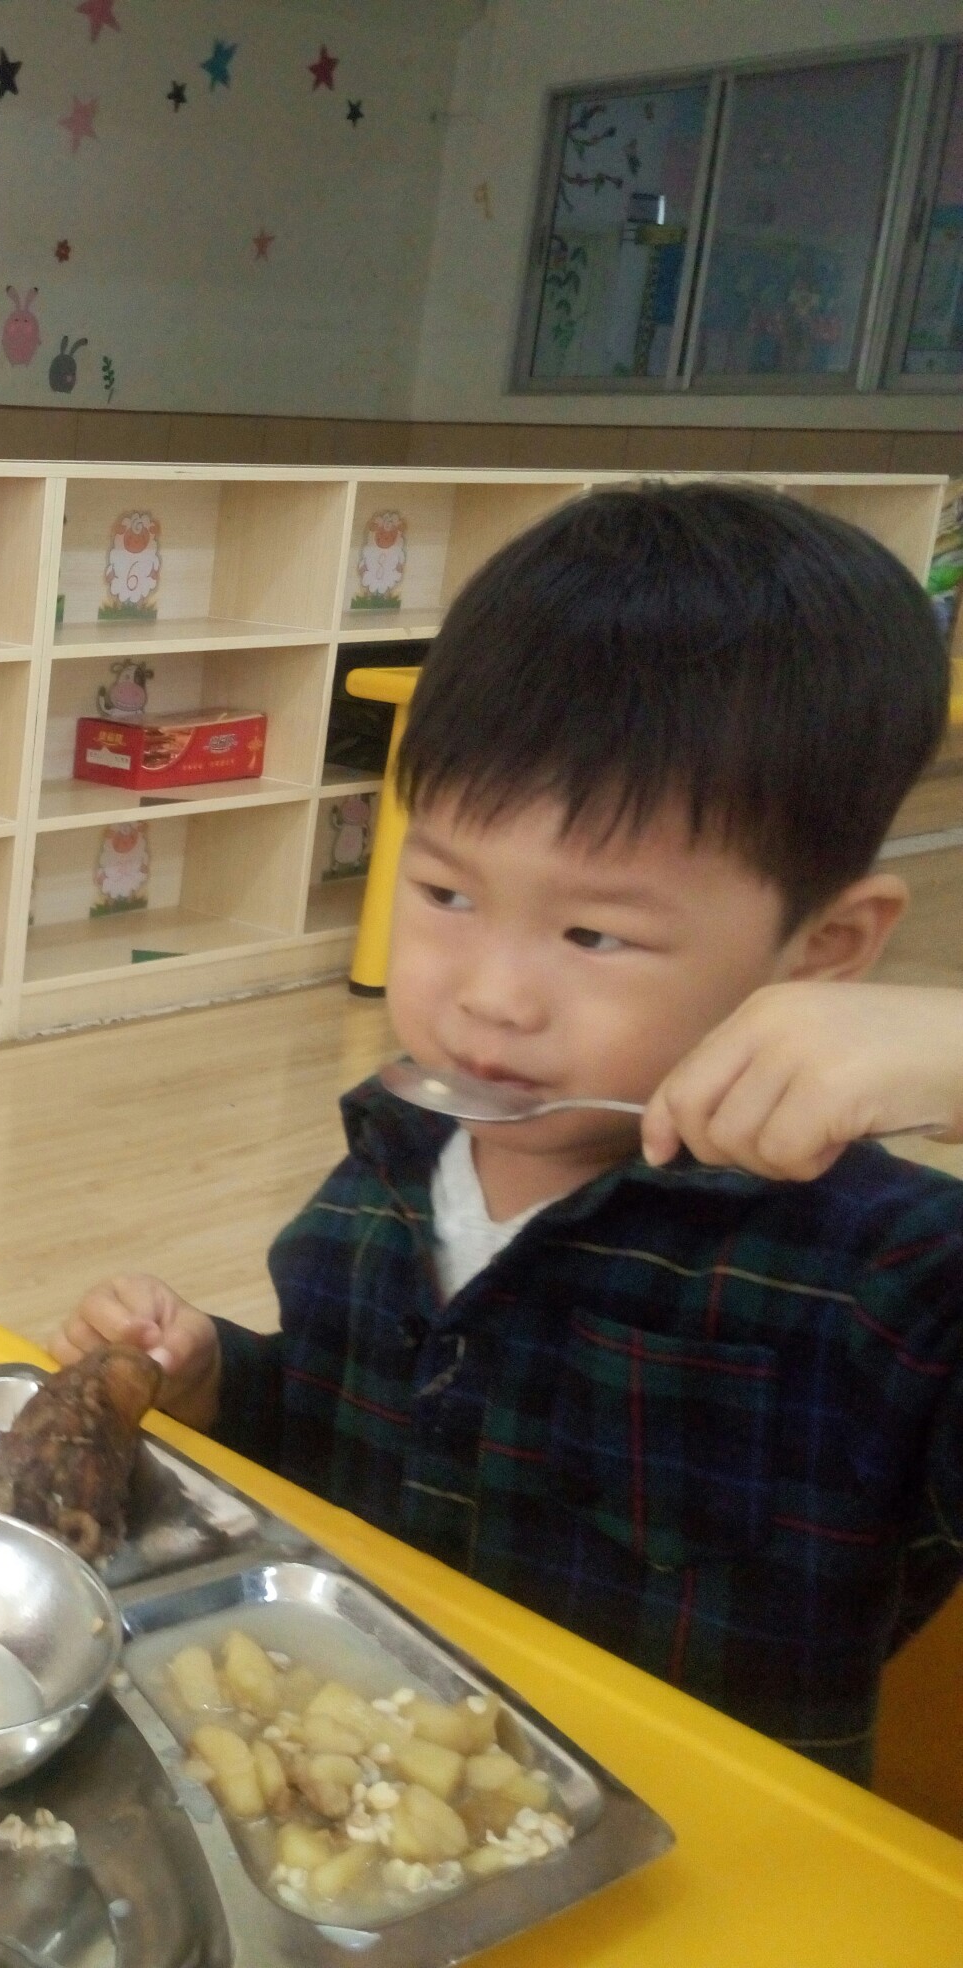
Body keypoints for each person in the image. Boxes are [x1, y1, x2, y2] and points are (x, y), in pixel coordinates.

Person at [55, 482, 963, 1781]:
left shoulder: (890, 1278)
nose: (490, 994)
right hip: (345, 1793)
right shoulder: (395, 1166)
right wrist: (219, 1387)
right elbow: (346, 1438)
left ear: (823, 952)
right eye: (445, 890)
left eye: (594, 933)